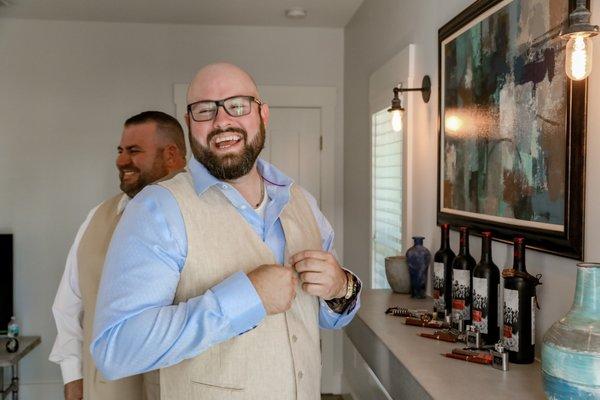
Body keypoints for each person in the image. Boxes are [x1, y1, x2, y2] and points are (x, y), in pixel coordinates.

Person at [91, 63, 361, 400]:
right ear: (190, 124)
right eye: (204, 110)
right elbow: (115, 350)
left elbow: (326, 317)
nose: (221, 121)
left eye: (237, 105)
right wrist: (245, 299)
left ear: (262, 114)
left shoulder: (302, 201)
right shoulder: (156, 209)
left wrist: (341, 288)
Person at [49, 111, 187, 400]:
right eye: (121, 150)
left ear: (172, 154)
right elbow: (69, 304)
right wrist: (73, 375)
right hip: (107, 390)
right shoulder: (96, 217)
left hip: (182, 386)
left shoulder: (205, 213)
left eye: (134, 151)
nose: (121, 160)